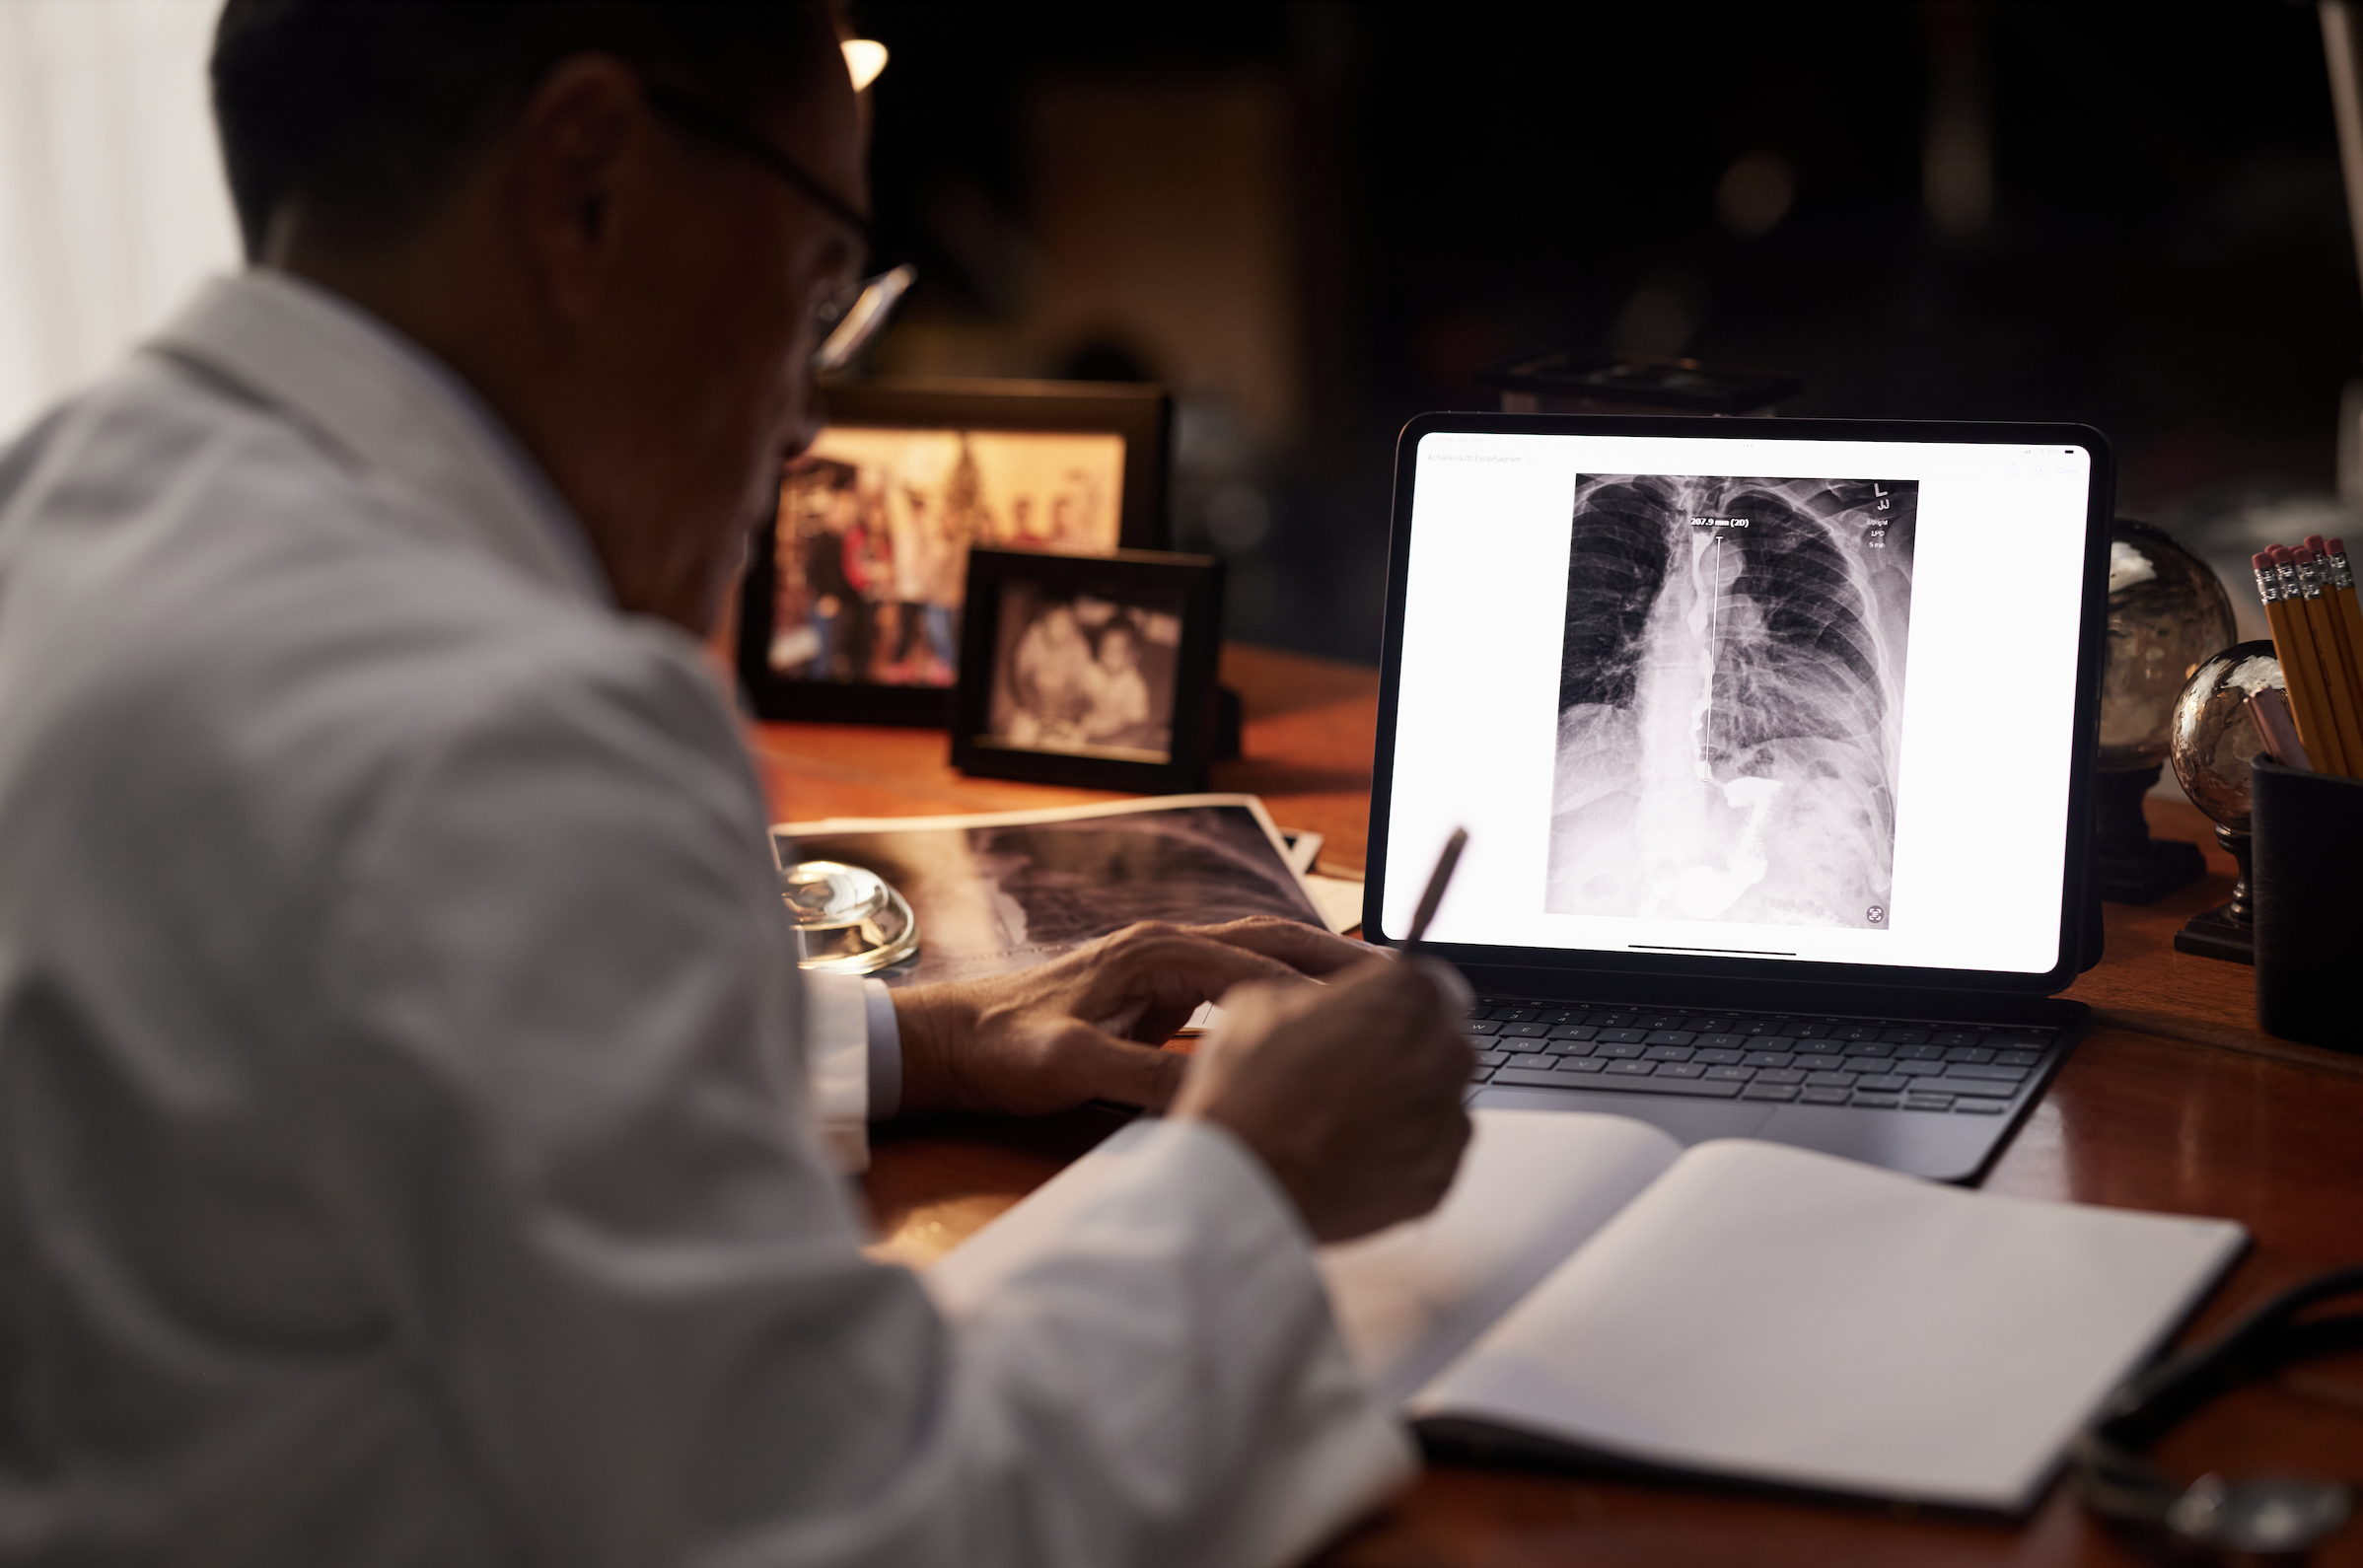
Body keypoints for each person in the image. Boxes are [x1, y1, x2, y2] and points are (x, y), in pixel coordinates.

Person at [0, 5, 1473, 1567]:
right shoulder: (510, 726)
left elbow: (361, 1061)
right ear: (590, 186)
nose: (807, 417)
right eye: (818, 288)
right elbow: (872, 1524)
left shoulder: (59, 507)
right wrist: (1253, 1172)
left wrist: (935, 1039)